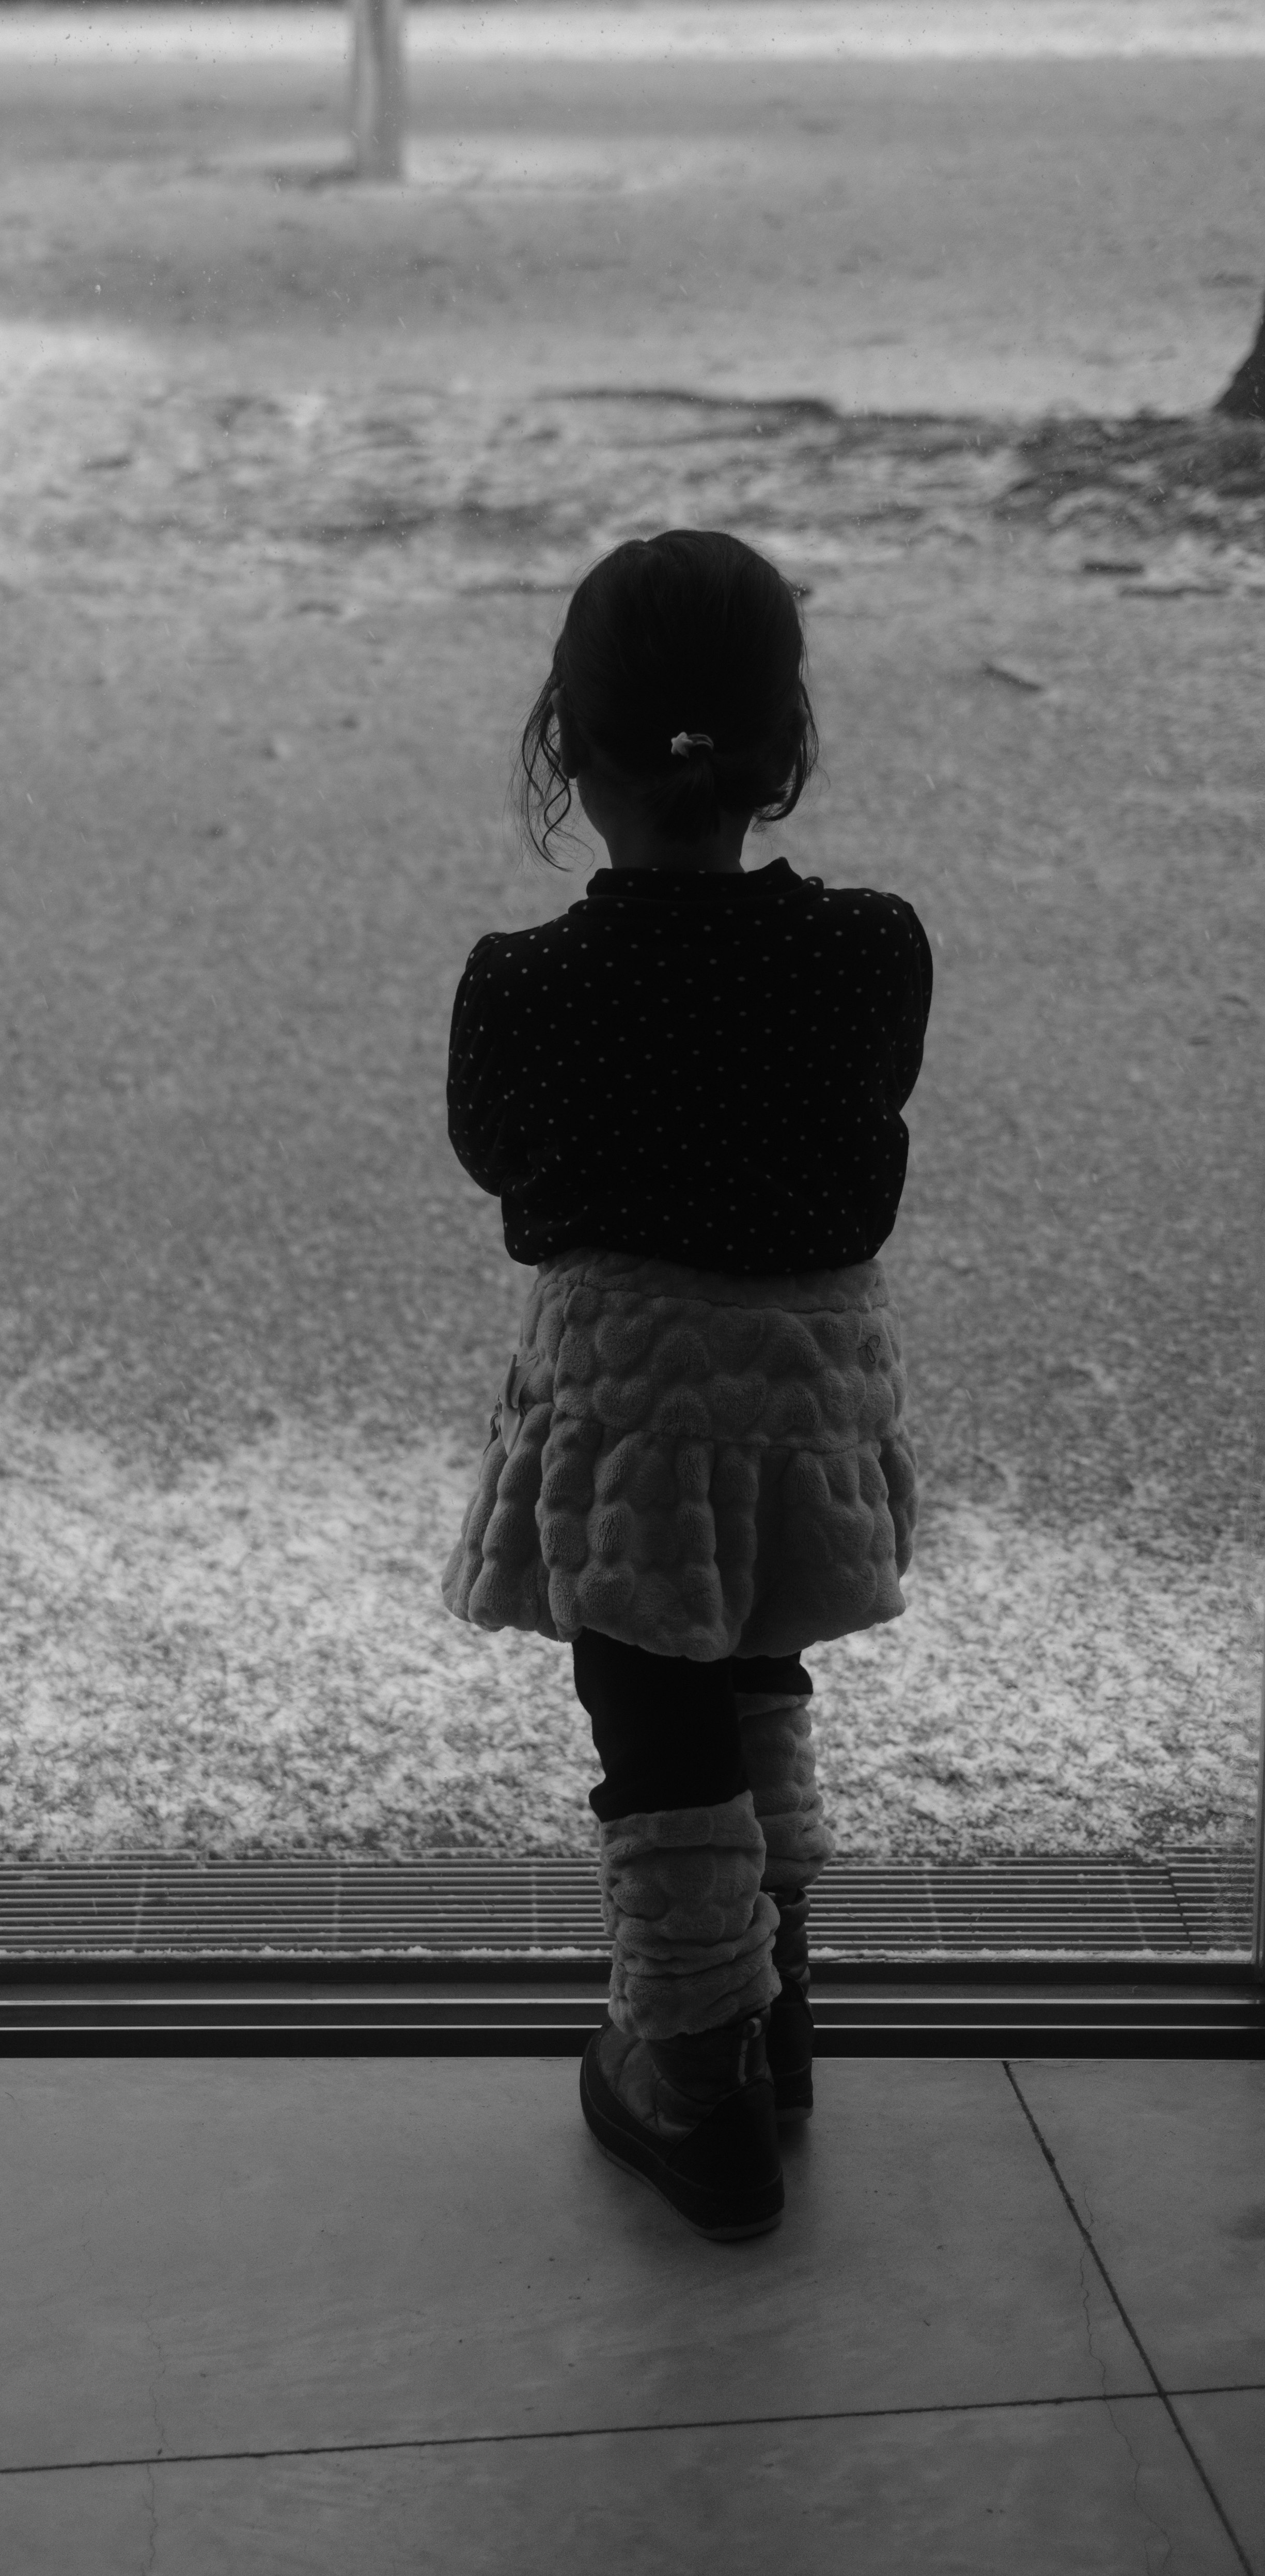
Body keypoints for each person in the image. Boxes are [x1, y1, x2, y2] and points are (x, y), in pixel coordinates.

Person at [442, 530, 932, 2245]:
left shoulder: (530, 988)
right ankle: (777, 2003)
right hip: (807, 1388)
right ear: (783, 749)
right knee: (761, 1665)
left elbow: (506, 1174)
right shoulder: (873, 952)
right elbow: (859, 1137)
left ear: (563, 751)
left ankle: (690, 2066)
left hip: (635, 1405)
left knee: (655, 1734)